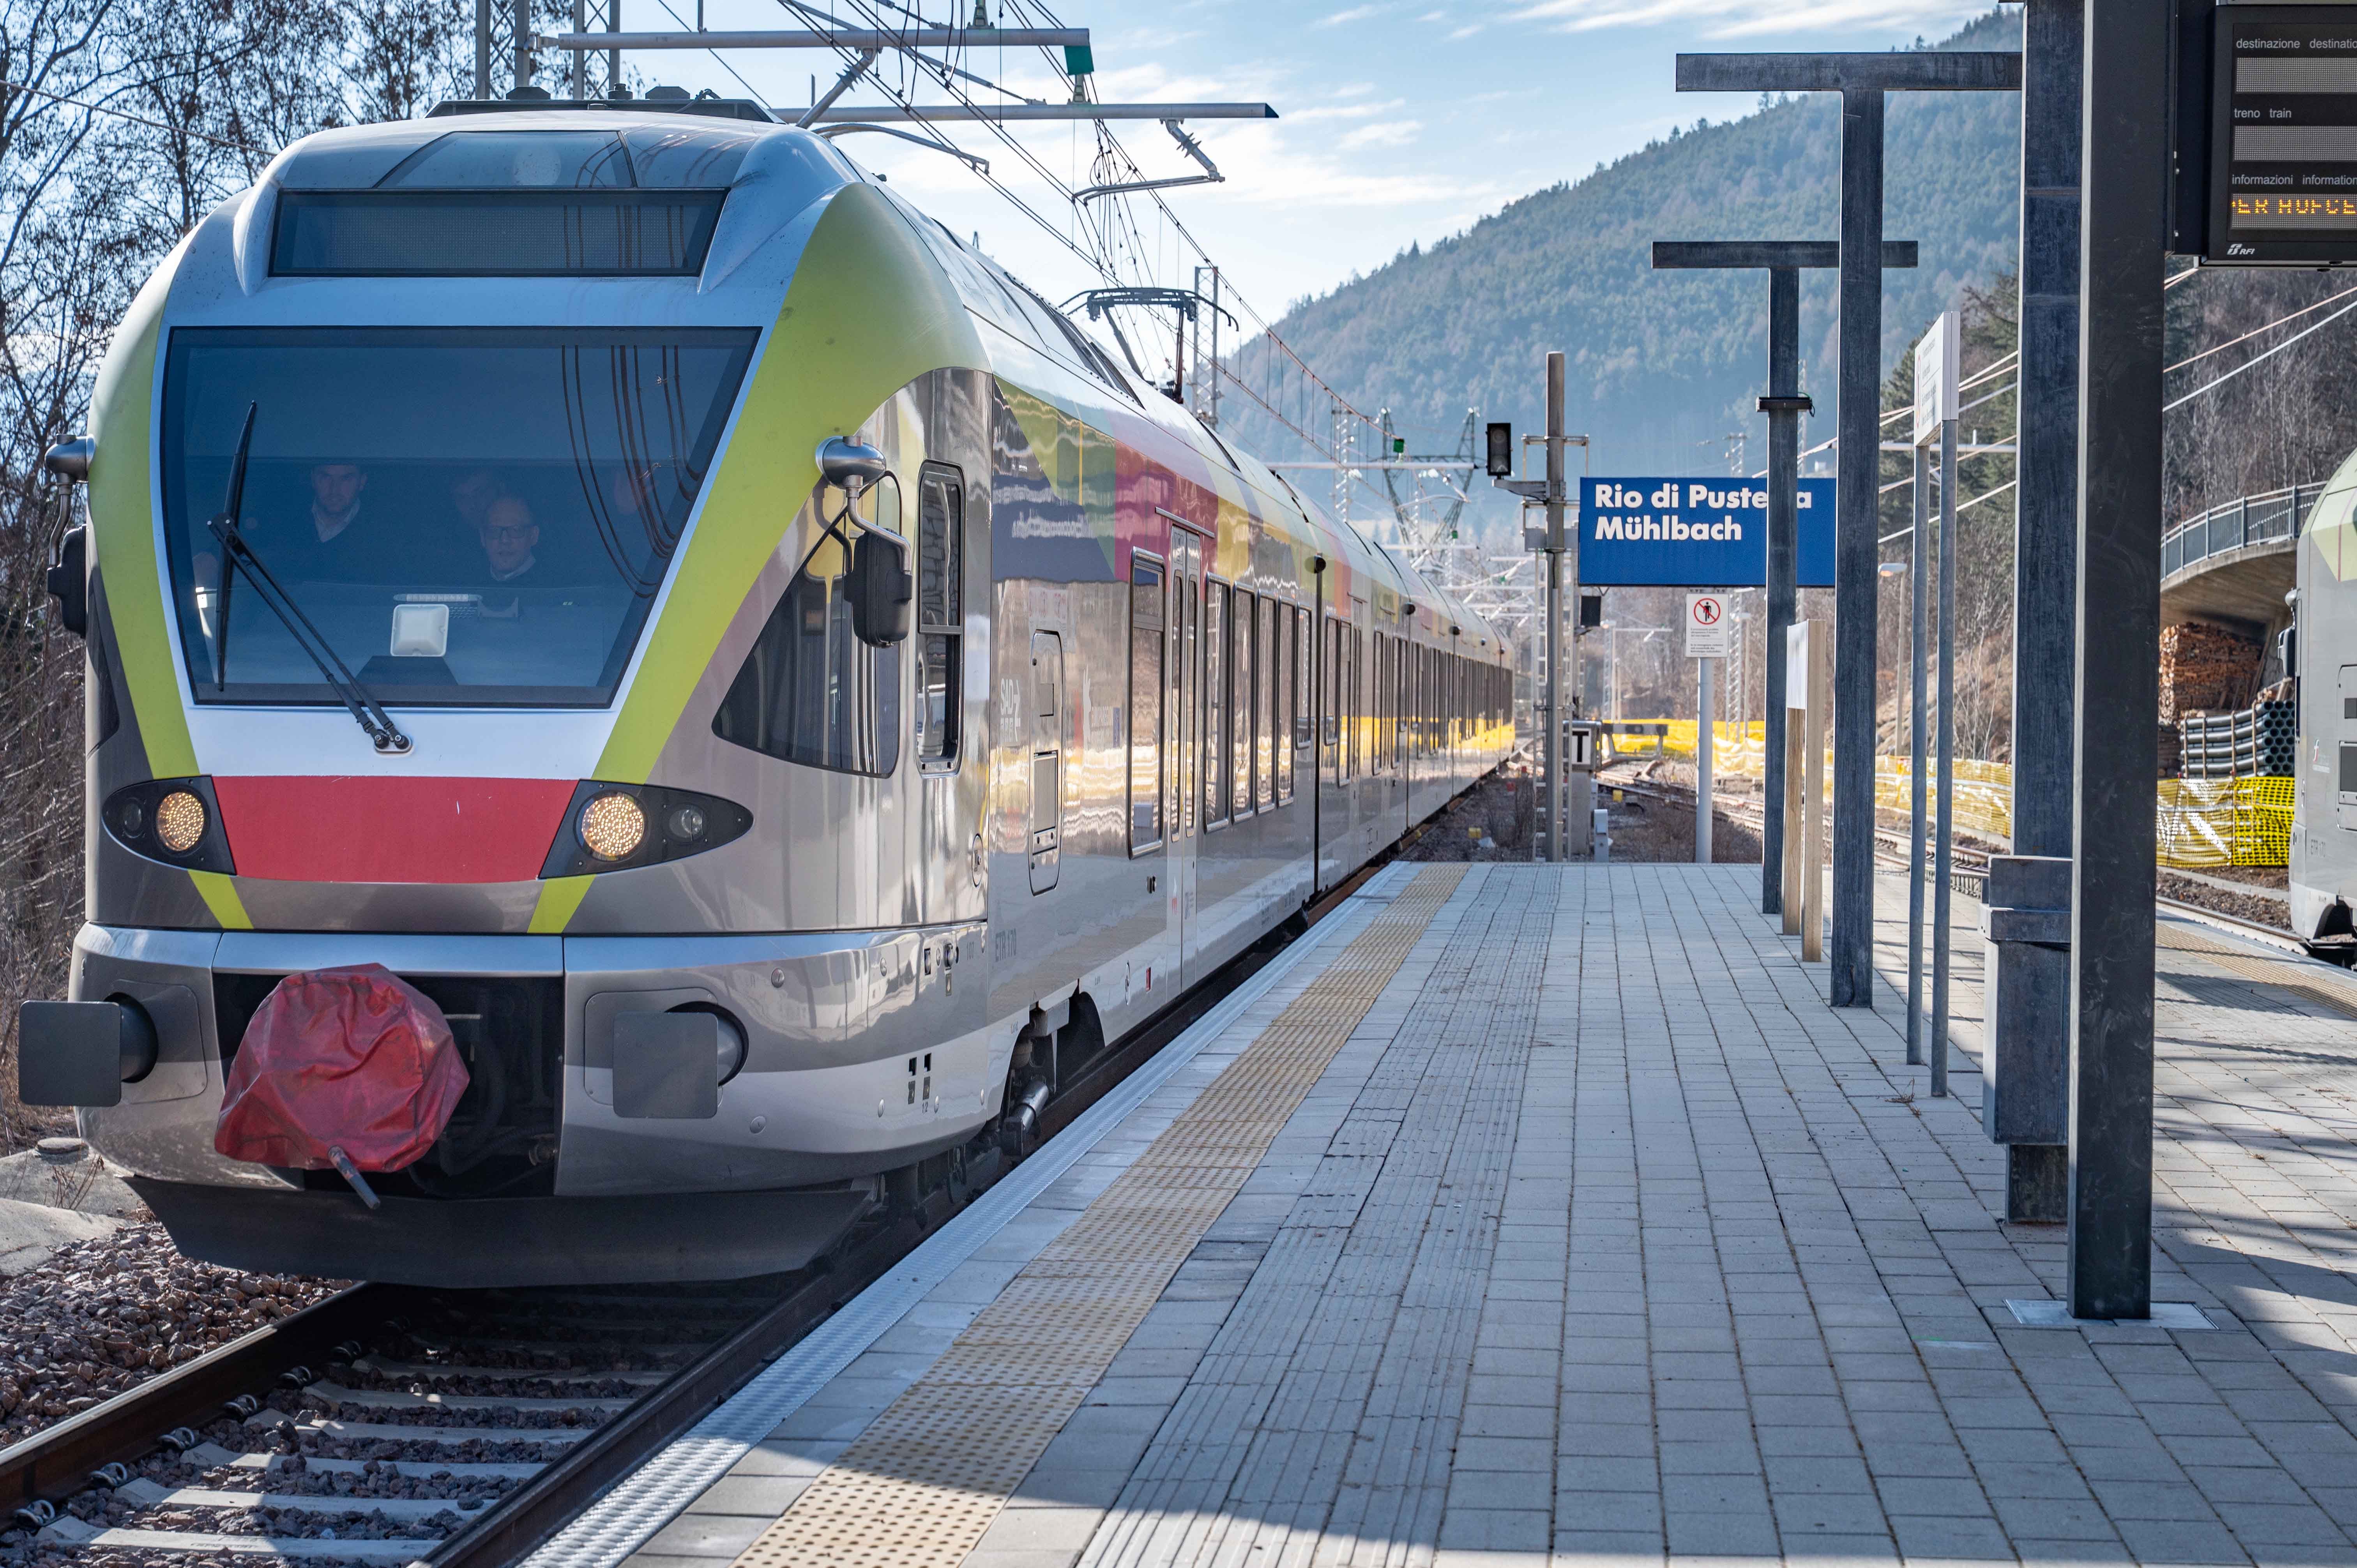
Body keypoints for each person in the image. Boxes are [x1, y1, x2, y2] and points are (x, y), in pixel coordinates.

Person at [475, 494, 539, 616]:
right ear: (483, 538)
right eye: (494, 530)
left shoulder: (556, 587)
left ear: (533, 536)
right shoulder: (465, 585)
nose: (504, 540)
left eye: (516, 529)